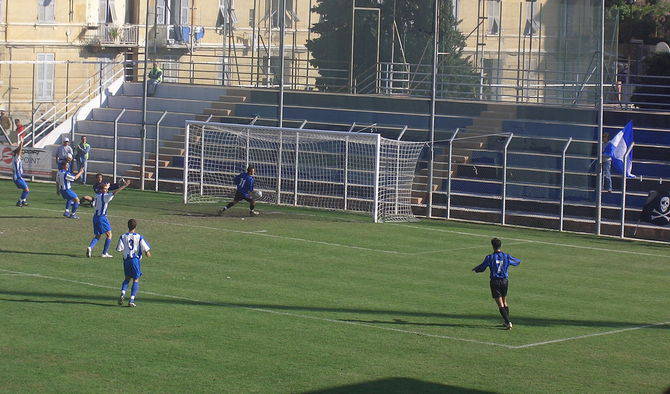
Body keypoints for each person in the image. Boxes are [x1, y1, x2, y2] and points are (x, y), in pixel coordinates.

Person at [472, 238, 522, 330]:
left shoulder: (490, 257)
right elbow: (517, 262)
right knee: (504, 301)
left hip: (495, 282)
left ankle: (508, 322)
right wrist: (508, 264)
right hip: (504, 281)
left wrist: (476, 269)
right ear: (500, 246)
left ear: (492, 246)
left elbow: (482, 268)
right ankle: (505, 321)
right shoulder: (506, 256)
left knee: (500, 304)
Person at [87, 178, 132, 258]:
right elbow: (115, 192)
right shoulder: (105, 196)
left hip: (95, 217)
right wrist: (124, 186)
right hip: (102, 218)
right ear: (102, 189)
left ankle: (90, 247)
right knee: (109, 235)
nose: (107, 188)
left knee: (98, 235)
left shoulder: (97, 195)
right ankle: (104, 253)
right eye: (105, 188)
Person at [116, 218, 151, 307]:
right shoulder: (139, 236)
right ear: (135, 226)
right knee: (136, 279)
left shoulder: (123, 236)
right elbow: (146, 249)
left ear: (128, 226)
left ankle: (123, 293)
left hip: (126, 260)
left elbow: (119, 249)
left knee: (127, 278)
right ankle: (131, 300)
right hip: (135, 260)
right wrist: (147, 253)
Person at [12, 140, 30, 207]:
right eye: (21, 152)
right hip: (17, 177)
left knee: (26, 188)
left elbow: (18, 151)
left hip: (19, 177)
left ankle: (23, 201)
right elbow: (19, 150)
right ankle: (19, 201)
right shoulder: (16, 158)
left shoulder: (17, 158)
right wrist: (21, 143)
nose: (22, 152)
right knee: (26, 190)